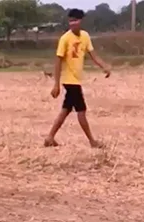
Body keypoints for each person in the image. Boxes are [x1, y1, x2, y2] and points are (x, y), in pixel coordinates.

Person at [44, 8, 111, 149]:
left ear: (81, 21)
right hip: (70, 81)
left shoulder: (85, 36)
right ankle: (92, 141)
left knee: (66, 110)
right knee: (81, 111)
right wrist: (56, 84)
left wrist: (104, 66)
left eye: (75, 20)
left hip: (76, 79)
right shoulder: (65, 39)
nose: (73, 23)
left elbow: (93, 55)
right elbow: (58, 62)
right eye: (70, 21)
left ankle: (50, 137)